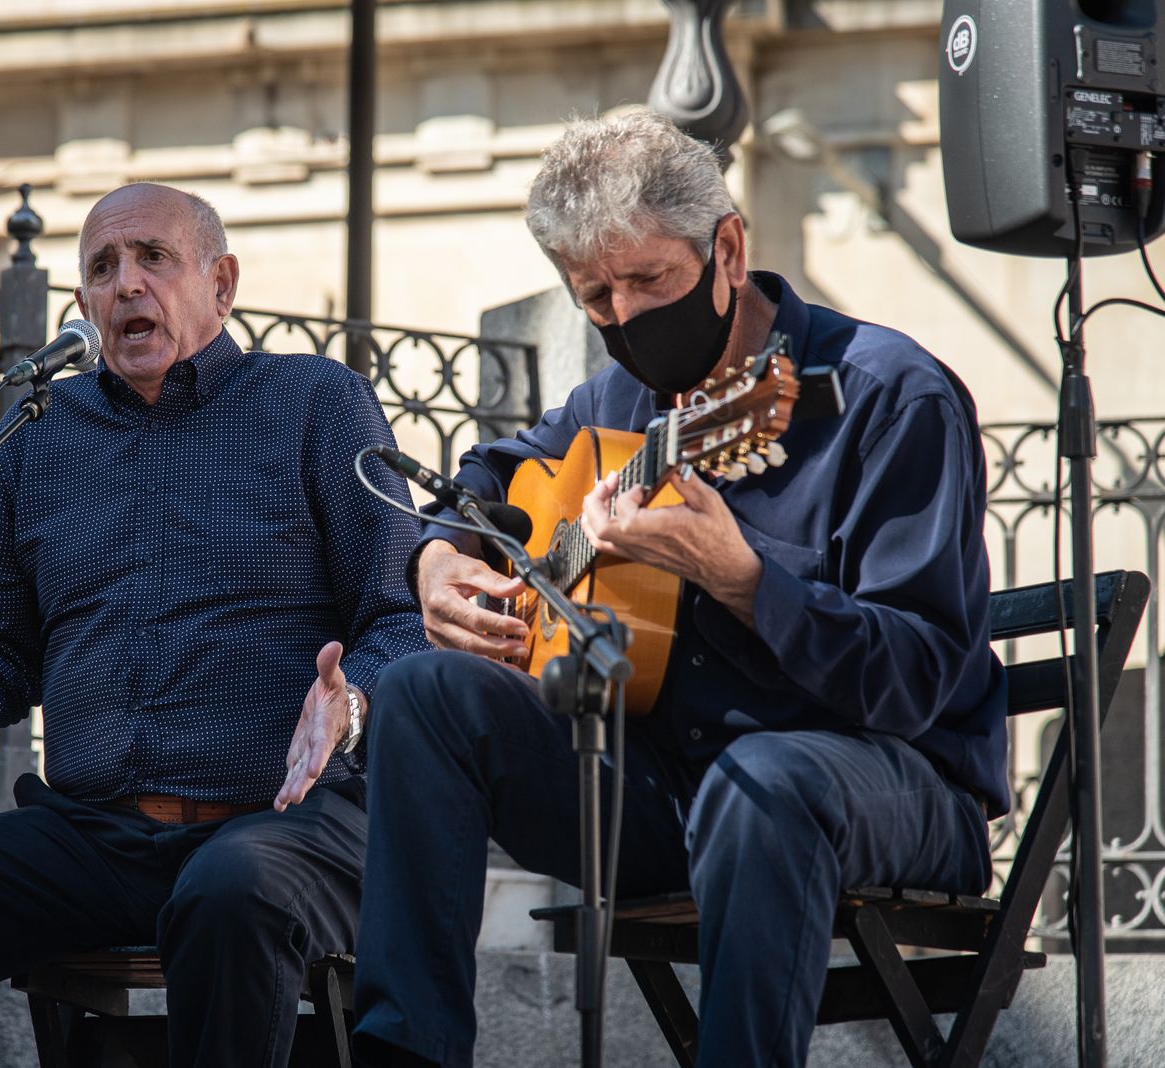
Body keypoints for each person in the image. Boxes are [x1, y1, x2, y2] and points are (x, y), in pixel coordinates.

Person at [351, 109, 1007, 1068]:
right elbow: (492, 475)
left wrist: (744, 582)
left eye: (649, 280)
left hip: (884, 784)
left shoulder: (886, 396)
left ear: (727, 249)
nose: (625, 318)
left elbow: (917, 679)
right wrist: (440, 556)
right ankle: (405, 1055)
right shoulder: (615, 408)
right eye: (596, 299)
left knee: (765, 777)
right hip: (673, 795)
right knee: (422, 692)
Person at [0, 182, 429, 1067]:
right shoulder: (36, 436)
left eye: (154, 258)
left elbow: (401, 616)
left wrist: (350, 706)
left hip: (284, 823)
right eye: (104, 268)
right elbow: (1, 649)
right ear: (82, 305)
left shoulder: (314, 401)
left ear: (221, 284)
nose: (126, 285)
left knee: (232, 891)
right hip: (98, 833)